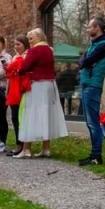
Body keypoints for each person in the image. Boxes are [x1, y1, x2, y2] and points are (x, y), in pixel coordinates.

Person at [16, 28, 68, 158]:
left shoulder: (35, 50)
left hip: (37, 84)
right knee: (46, 114)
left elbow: (25, 67)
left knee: (30, 113)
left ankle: (26, 149)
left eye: (31, 38)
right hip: (50, 84)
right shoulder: (50, 50)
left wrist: (18, 69)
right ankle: (46, 148)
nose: (29, 41)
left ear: (39, 37)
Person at [77, 16, 105, 166]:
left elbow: (85, 61)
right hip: (87, 84)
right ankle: (93, 154)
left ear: (97, 28)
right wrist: (83, 60)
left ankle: (96, 156)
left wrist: (83, 61)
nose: (87, 29)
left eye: (89, 27)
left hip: (93, 86)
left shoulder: (103, 45)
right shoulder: (95, 44)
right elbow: (84, 60)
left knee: (93, 123)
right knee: (90, 122)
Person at [4, 35, 29, 154]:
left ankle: (23, 144)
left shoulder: (27, 56)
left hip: (22, 89)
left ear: (25, 44)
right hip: (13, 89)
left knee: (21, 118)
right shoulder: (15, 57)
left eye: (19, 44)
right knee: (14, 117)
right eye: (15, 45)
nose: (16, 47)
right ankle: (18, 143)